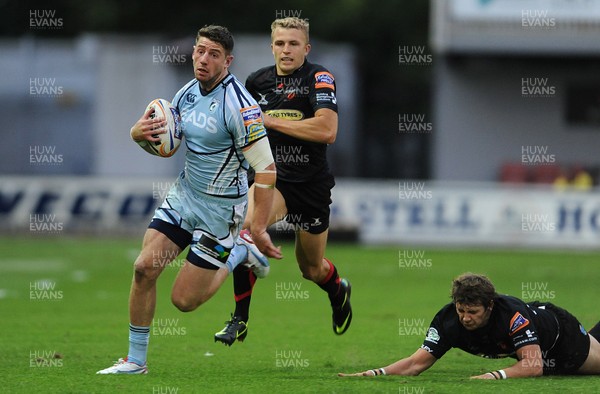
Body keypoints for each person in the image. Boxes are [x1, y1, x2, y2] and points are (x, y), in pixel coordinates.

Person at [97, 25, 282, 374]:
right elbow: (167, 147)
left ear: (227, 61)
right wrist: (136, 134)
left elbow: (267, 170)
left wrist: (257, 227)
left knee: (183, 301)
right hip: (183, 197)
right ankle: (136, 361)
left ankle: (240, 250)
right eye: (199, 50)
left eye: (213, 54)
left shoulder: (240, 107)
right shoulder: (185, 94)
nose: (203, 59)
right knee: (143, 269)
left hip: (220, 211)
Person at [213, 17, 352, 346]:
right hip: (271, 178)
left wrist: (270, 120)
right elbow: (241, 129)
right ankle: (240, 318)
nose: (286, 50)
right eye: (280, 43)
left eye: (293, 44)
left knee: (311, 269)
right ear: (272, 46)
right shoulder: (256, 81)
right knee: (245, 229)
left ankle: (337, 289)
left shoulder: (319, 78)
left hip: (311, 185)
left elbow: (327, 130)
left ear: (306, 48)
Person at [339, 273, 600, 379]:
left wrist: (492, 377)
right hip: (540, 339)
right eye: (461, 310)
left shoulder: (511, 315)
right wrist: (375, 374)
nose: (465, 317)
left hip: (563, 341)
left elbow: (533, 366)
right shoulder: (447, 320)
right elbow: (415, 364)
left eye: (473, 312)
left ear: (490, 306)